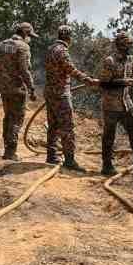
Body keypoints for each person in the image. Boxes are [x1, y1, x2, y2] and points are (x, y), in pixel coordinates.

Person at [96, 31, 133, 175]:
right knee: (109, 136)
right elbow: (103, 84)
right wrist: (120, 82)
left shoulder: (131, 60)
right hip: (111, 105)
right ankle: (107, 166)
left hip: (126, 105)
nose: (132, 46)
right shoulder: (110, 61)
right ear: (122, 45)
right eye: (129, 44)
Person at [43, 25, 96, 170]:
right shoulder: (62, 51)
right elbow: (70, 69)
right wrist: (87, 79)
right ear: (68, 38)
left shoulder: (50, 49)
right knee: (67, 127)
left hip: (49, 92)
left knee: (53, 125)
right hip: (61, 94)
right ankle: (70, 161)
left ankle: (51, 156)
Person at [0, 22, 37, 160]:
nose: (30, 38)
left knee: (8, 117)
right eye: (30, 35)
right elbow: (24, 70)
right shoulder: (23, 47)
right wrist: (32, 89)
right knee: (16, 119)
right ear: (25, 33)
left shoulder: (2, 45)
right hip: (17, 90)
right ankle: (11, 152)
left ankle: (7, 148)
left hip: (3, 89)